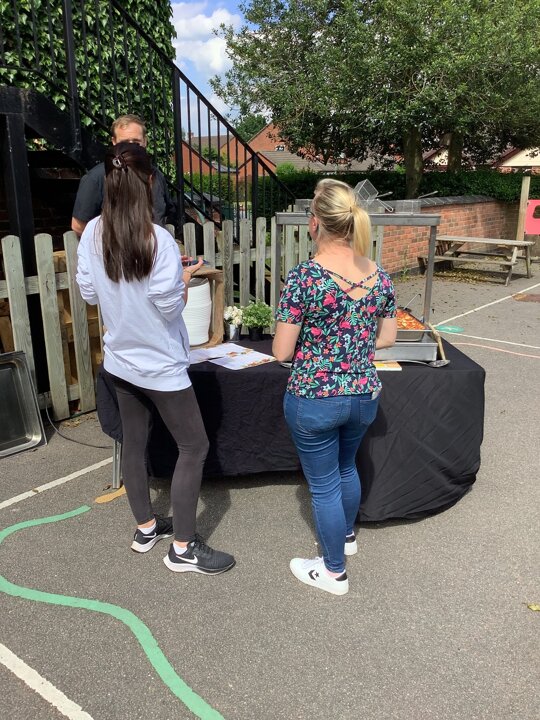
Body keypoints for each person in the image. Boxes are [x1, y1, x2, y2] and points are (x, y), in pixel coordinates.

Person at [76, 141, 235, 575]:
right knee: (194, 446)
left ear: (109, 182)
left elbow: (89, 293)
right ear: (149, 182)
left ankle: (146, 527)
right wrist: (183, 278)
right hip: (160, 365)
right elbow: (168, 306)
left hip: (120, 361)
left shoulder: (92, 232)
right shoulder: (158, 239)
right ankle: (183, 548)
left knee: (134, 441)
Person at [272, 178, 397, 596]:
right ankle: (345, 536)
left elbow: (282, 351)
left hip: (315, 397)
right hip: (363, 393)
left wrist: (322, 347)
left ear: (315, 223)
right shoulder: (378, 275)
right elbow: (388, 337)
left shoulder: (304, 277)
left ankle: (333, 572)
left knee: (324, 484)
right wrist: (351, 345)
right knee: (346, 467)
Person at [71, 114, 176, 236]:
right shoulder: (96, 178)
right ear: (114, 142)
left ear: (145, 141)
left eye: (136, 143)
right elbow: (78, 225)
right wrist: (115, 242)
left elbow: (166, 214)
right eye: (124, 143)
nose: (131, 148)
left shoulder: (156, 175)